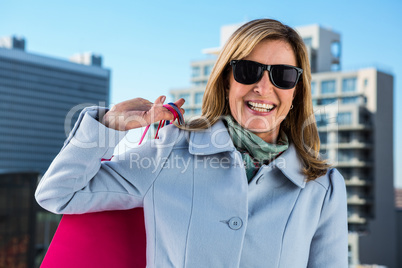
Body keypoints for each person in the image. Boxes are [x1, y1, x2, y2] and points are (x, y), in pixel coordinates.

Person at [35, 18, 348, 267]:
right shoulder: (170, 151)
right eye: (248, 71)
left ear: (297, 91)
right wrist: (109, 126)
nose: (263, 88)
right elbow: (59, 194)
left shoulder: (324, 188)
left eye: (283, 75)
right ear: (227, 80)